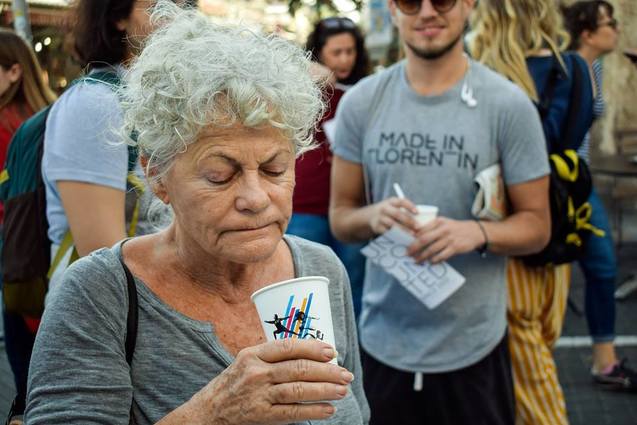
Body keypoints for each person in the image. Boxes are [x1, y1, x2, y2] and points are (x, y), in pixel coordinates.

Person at [25, 3, 369, 424]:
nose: (255, 198)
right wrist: (213, 413)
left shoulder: (321, 268)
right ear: (158, 176)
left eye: (274, 169)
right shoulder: (99, 294)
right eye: (220, 176)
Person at [329, 0, 551, 423]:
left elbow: (538, 227)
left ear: (468, 4)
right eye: (412, 1)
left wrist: (477, 233)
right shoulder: (362, 102)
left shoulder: (507, 105)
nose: (427, 12)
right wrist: (372, 217)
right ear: (393, 9)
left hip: (474, 350)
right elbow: (341, 217)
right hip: (381, 345)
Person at [471, 0, 598, 423]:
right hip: (562, 221)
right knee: (540, 341)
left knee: (527, 356)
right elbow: (573, 135)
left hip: (507, 225)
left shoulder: (482, 73)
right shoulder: (577, 68)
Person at [41, 0, 167, 290]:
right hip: (103, 314)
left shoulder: (150, 98)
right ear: (118, 18)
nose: (171, 16)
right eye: (156, 6)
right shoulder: (96, 104)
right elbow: (102, 256)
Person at [562, 0, 637, 393]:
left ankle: (604, 360)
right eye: (610, 24)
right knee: (567, 273)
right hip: (566, 186)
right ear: (588, 33)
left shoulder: (595, 67)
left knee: (601, 267)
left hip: (581, 184)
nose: (617, 30)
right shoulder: (566, 68)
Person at [287, 16, 370, 318]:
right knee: (305, 286)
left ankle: (357, 357)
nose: (345, 59)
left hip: (354, 204)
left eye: (350, 51)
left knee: (354, 285)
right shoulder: (305, 83)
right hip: (309, 202)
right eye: (337, 52)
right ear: (319, 52)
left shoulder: (365, 91)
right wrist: (304, 69)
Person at [0, 28, 57, 425]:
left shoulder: (7, 126)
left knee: (28, 392)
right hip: (48, 264)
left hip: (19, 265)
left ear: (15, 71)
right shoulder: (47, 119)